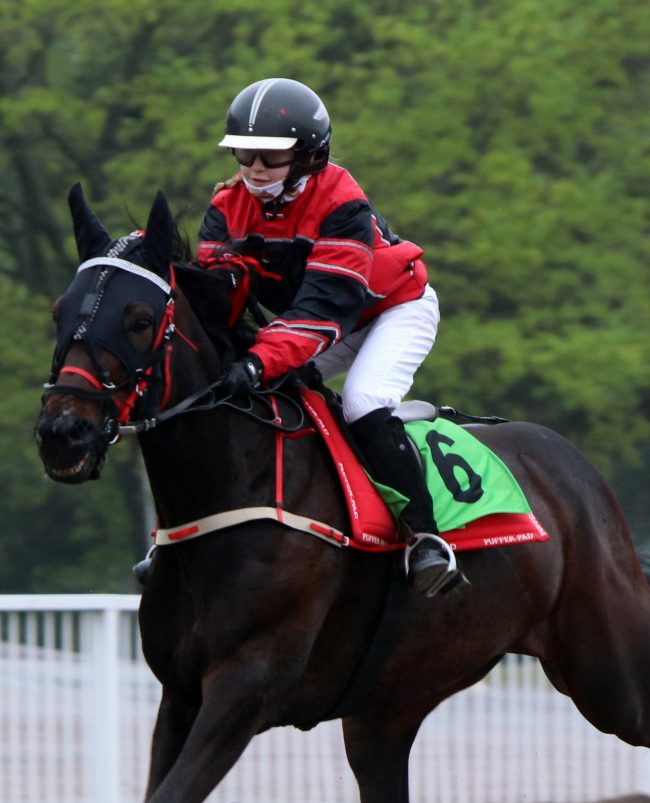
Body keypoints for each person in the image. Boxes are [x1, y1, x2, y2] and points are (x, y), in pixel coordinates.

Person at [197, 77, 462, 597]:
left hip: (392, 309)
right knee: (267, 397)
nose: (253, 167)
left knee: (363, 400)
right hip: (318, 320)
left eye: (268, 158)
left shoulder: (343, 203)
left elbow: (323, 311)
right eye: (244, 154)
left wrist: (255, 362)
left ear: (309, 157)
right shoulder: (227, 205)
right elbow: (215, 291)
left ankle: (428, 537)